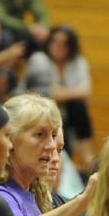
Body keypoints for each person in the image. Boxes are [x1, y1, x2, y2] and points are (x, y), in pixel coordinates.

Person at [22, 26, 94, 168]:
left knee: (78, 108)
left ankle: (87, 158)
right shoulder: (39, 59)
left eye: (63, 43)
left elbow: (86, 92)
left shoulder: (78, 61)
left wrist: (61, 93)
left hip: (67, 109)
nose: (57, 46)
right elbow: (45, 94)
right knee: (59, 113)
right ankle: (63, 162)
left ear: (71, 46)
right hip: (34, 109)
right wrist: (70, 92)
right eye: (54, 41)